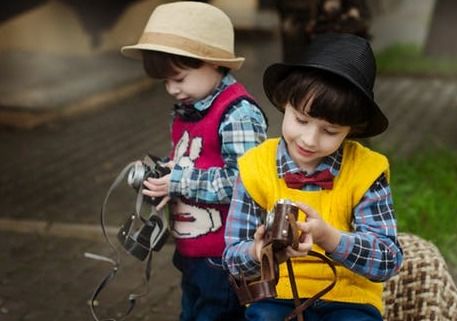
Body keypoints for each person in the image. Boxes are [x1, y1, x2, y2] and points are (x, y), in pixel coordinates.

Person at [223, 32, 403, 321]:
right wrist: (258, 250)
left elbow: (388, 261)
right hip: (277, 295)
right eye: (301, 120)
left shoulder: (367, 170)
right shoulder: (254, 167)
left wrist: (329, 238)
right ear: (285, 103)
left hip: (349, 299)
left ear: (351, 129)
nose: (309, 139)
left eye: (330, 131)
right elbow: (232, 260)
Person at [120, 2, 268, 321]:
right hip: (193, 251)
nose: (172, 89)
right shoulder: (191, 107)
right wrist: (163, 177)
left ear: (214, 63)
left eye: (179, 78)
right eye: (165, 82)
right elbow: (192, 162)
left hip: (224, 255)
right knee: (192, 311)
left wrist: (180, 181)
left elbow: (246, 182)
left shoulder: (237, 114)